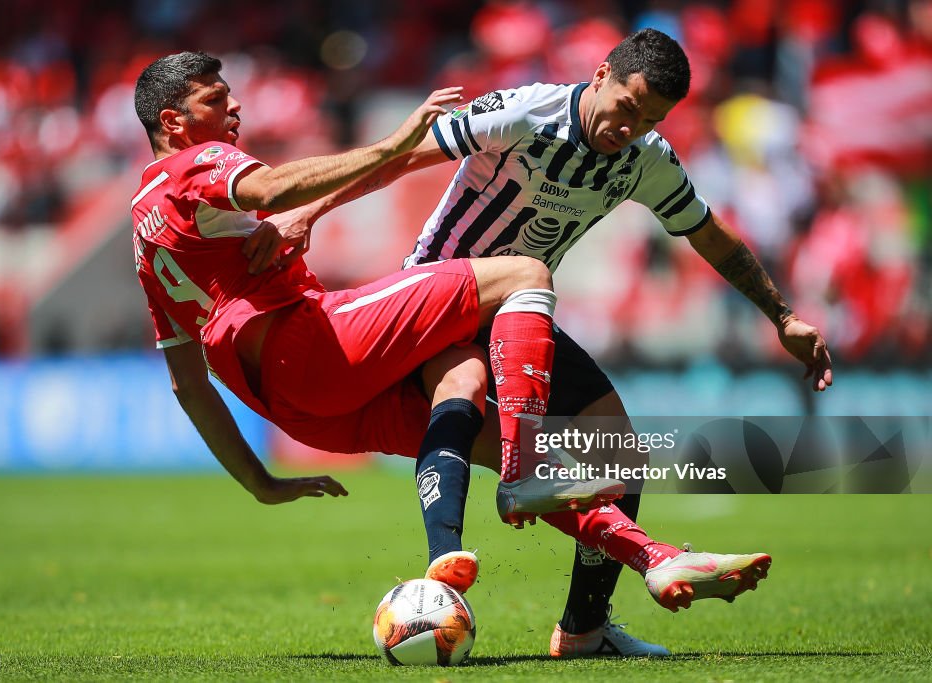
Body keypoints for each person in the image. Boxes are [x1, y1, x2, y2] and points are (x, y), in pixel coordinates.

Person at [132, 51, 774, 637]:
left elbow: (188, 384)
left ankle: (651, 559)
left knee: (494, 427)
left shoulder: (147, 232)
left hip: (298, 409)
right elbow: (271, 190)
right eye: (216, 100)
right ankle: (525, 475)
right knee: (526, 271)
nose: (235, 107)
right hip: (311, 344)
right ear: (175, 121)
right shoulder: (192, 164)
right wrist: (396, 139)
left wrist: (259, 482)